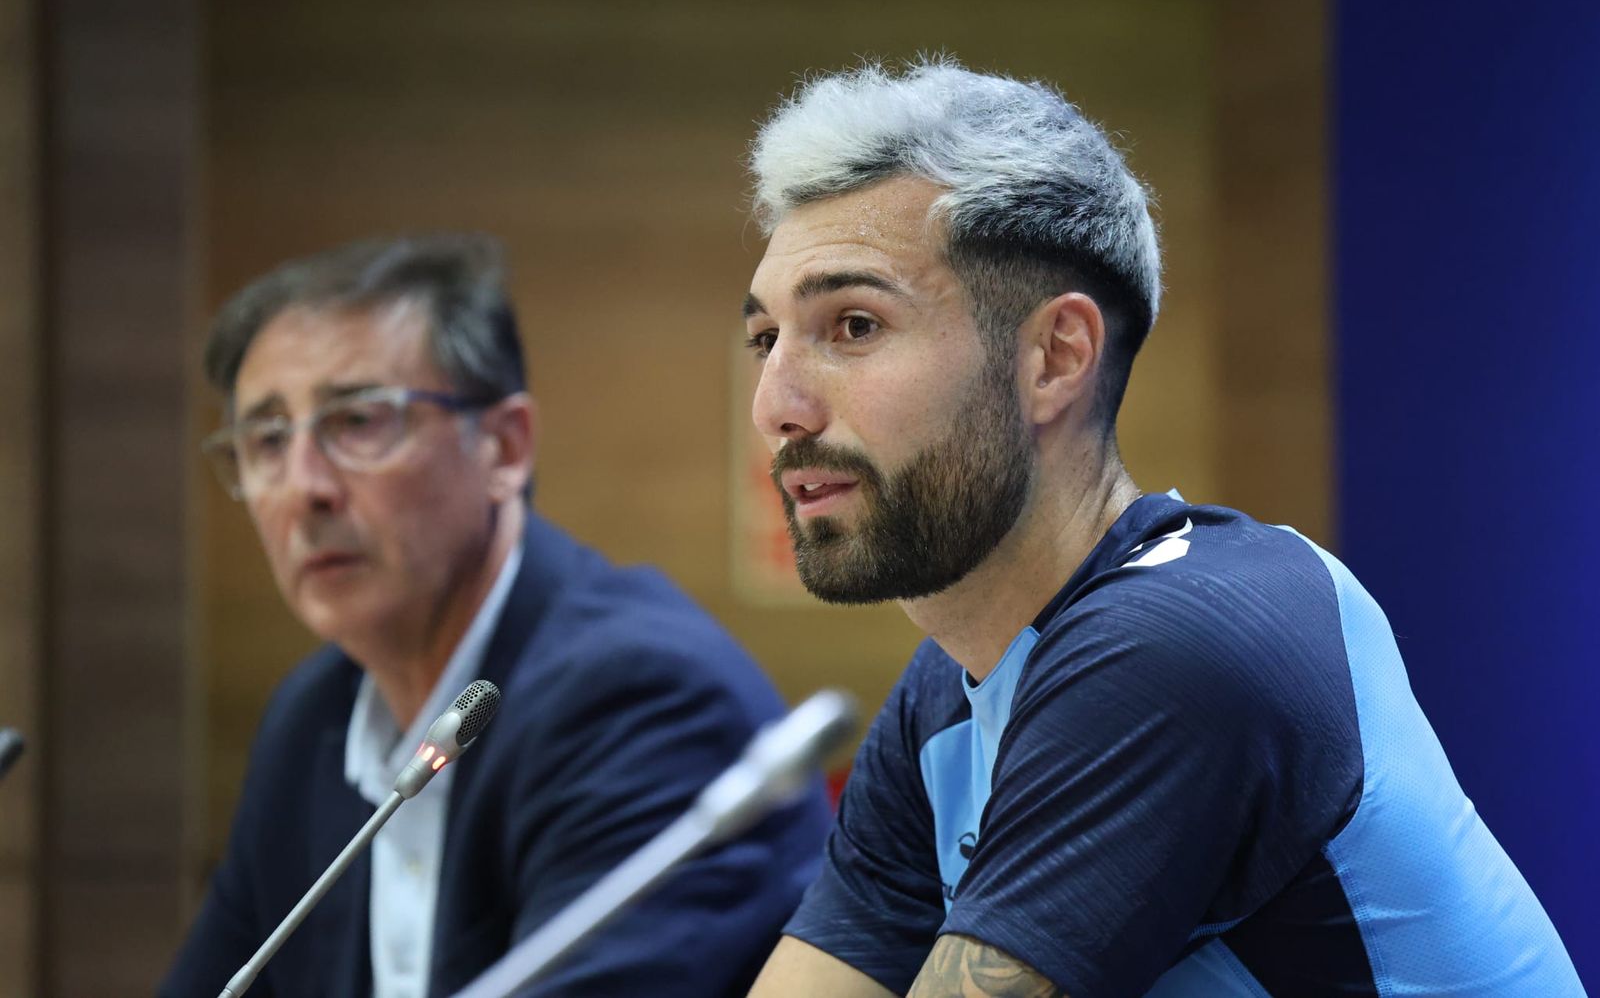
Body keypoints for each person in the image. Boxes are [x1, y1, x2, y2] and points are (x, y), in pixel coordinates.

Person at [739, 60, 1585, 998]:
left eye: (853, 325)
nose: (777, 404)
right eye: (765, 339)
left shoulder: (1181, 644)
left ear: (1055, 358)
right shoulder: (948, 691)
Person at [161, 235, 830, 998]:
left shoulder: (641, 699)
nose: (303, 487)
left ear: (506, 447)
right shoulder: (309, 722)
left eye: (356, 423)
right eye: (268, 439)